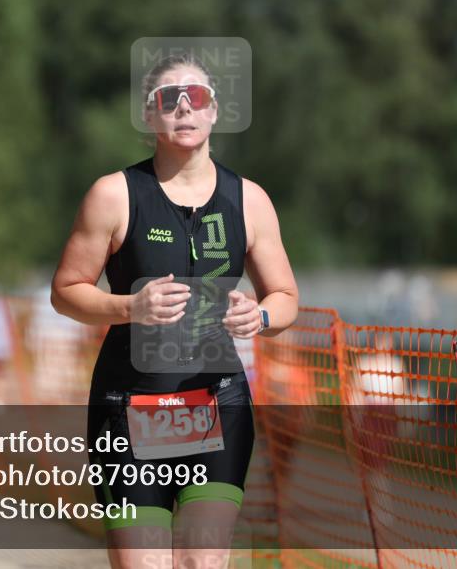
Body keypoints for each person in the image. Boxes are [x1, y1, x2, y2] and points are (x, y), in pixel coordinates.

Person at [51, 53, 298, 568]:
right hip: (129, 404)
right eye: (169, 98)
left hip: (218, 401)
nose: (184, 108)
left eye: (197, 97)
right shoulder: (113, 195)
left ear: (214, 112)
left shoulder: (249, 200)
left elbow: (286, 296)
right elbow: (66, 290)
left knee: (203, 563)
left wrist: (263, 317)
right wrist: (129, 305)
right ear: (149, 115)